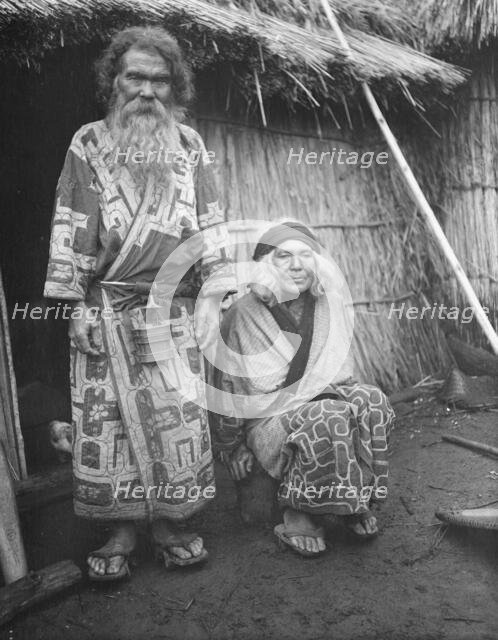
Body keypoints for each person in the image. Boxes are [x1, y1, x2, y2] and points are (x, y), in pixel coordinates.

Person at [44, 26, 235, 580]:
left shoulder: (192, 146)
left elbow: (212, 224)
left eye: (159, 79)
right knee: (108, 426)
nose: (147, 91)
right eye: (135, 77)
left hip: (173, 309)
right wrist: (74, 304)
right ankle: (120, 528)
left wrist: (213, 296)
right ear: (114, 80)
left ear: (174, 86)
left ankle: (170, 524)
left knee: (177, 417)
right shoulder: (88, 143)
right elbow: (71, 223)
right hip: (105, 308)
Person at [211, 221, 395, 557]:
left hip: (324, 400)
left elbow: (343, 375)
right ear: (266, 266)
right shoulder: (242, 315)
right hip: (267, 420)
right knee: (328, 411)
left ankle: (353, 499)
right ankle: (299, 511)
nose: (297, 265)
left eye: (306, 256)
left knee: (372, 401)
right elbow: (228, 388)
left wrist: (333, 398)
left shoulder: (329, 305)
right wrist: (232, 447)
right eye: (284, 257)